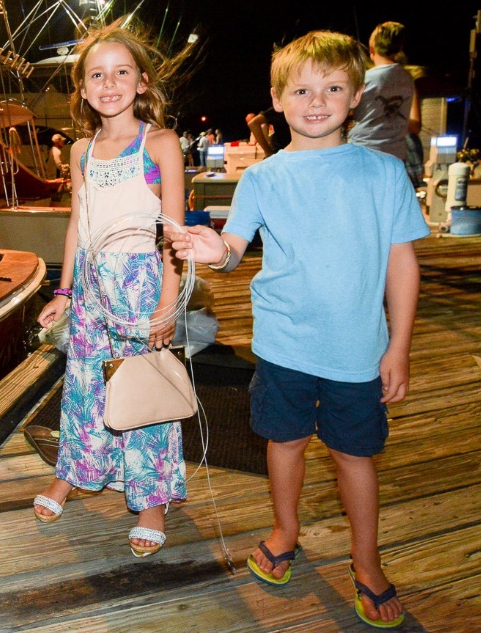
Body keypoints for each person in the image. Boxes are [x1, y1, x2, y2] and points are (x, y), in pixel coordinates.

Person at [170, 31, 427, 628]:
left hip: (358, 352)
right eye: (303, 89)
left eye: (333, 87)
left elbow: (402, 265)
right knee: (282, 441)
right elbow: (235, 248)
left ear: (357, 94)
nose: (317, 101)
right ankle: (286, 530)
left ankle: (367, 562)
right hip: (284, 346)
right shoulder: (262, 177)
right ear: (277, 98)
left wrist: (400, 346)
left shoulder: (384, 173)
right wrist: (214, 249)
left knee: (355, 455)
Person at [33, 18, 187, 558]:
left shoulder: (161, 143)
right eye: (96, 74)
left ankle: (152, 499)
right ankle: (75, 473)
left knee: (144, 391)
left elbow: (174, 233)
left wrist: (167, 303)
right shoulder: (80, 150)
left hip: (142, 283)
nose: (109, 82)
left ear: (142, 81)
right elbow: (79, 222)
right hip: (94, 288)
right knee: (82, 386)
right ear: (82, 89)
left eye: (122, 71)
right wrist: (64, 291)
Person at [348, 21, 422, 164]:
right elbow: (414, 124)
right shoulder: (407, 79)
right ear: (399, 48)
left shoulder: (365, 79)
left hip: (364, 152)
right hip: (396, 155)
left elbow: (346, 111)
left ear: (371, 50)